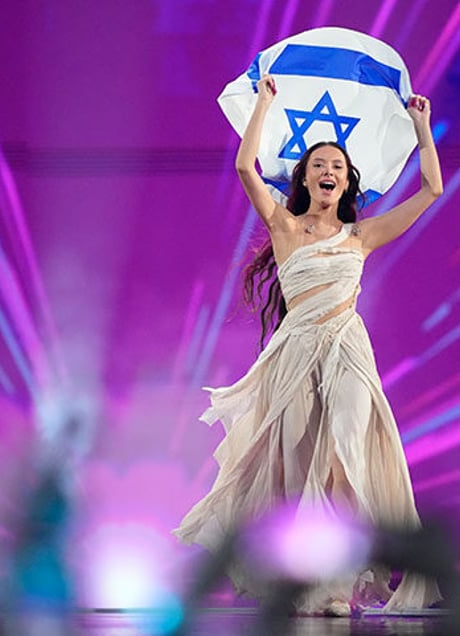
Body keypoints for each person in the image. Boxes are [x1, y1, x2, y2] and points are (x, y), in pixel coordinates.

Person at [175, 74, 444, 616]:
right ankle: (300, 578)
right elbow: (244, 168)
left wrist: (421, 128)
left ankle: (339, 583)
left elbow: (432, 190)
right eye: (319, 164)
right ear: (305, 176)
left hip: (347, 347)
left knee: (344, 454)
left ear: (348, 184)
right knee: (297, 468)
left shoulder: (360, 237)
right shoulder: (285, 226)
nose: (328, 172)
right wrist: (264, 107)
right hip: (294, 354)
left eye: (337, 167)